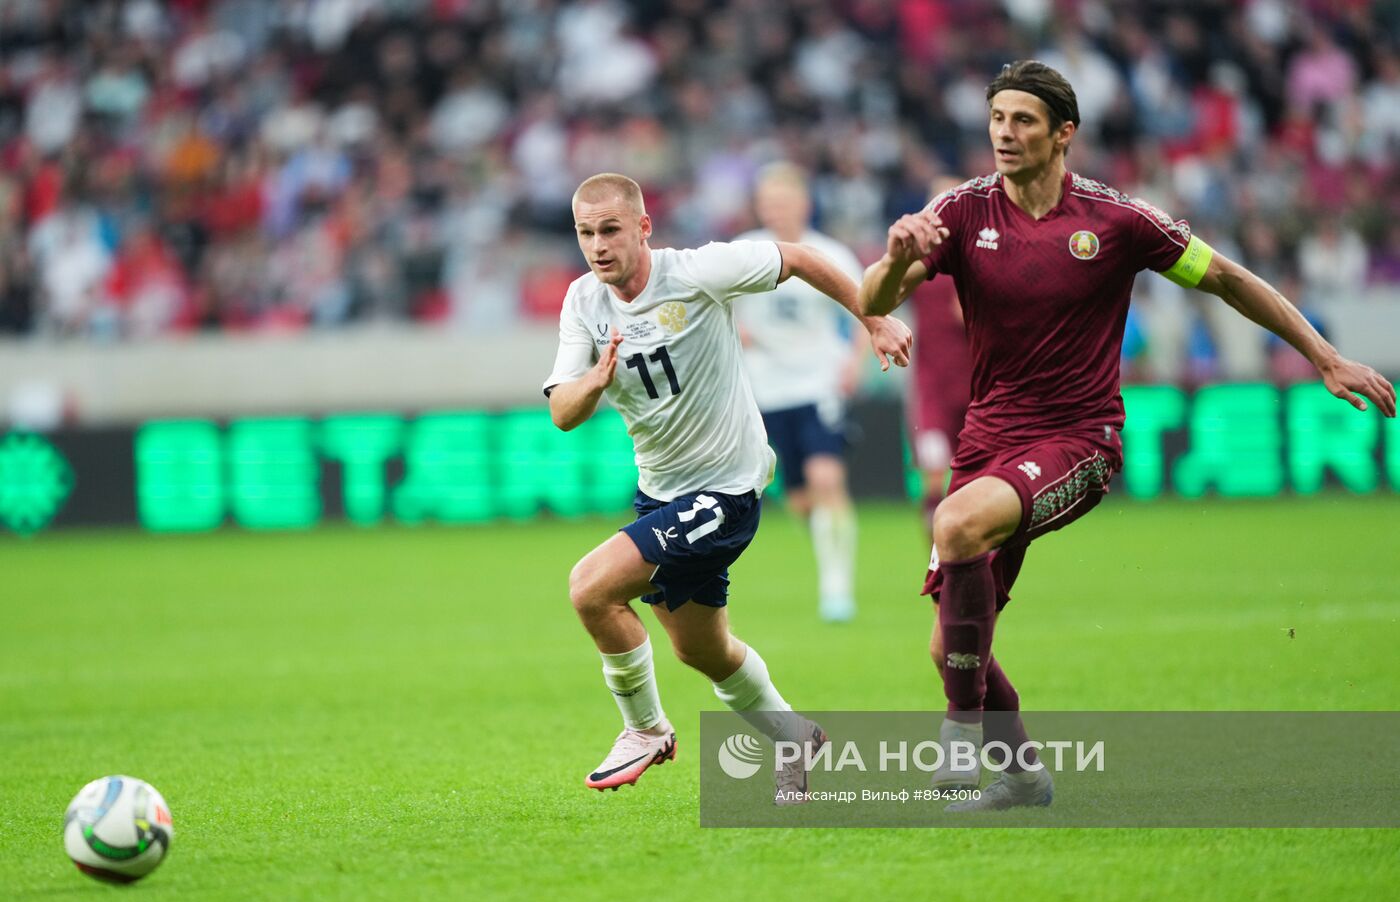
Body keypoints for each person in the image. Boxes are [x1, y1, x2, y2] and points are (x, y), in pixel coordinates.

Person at [859, 61, 1396, 812]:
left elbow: (1230, 280)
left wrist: (1325, 357)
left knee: (955, 529)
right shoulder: (961, 212)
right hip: (988, 439)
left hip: (1081, 437)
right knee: (951, 645)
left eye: (1023, 122)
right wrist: (896, 256)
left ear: (1063, 133)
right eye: (997, 120)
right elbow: (872, 298)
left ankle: (959, 726)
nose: (1005, 135)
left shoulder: (1117, 222)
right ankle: (1021, 776)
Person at [546, 173, 911, 800]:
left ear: (643, 227)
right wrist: (595, 381)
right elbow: (563, 410)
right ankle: (794, 735)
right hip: (662, 494)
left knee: (591, 589)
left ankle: (645, 729)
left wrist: (872, 316)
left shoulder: (697, 272)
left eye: (610, 230)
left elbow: (795, 258)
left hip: (726, 491)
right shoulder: (583, 301)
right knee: (703, 651)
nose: (598, 246)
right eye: (586, 233)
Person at [732, 162, 867, 623]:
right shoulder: (742, 251)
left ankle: (837, 586)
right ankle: (828, 554)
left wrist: (856, 362)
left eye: (784, 202)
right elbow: (712, 306)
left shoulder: (830, 254)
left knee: (826, 479)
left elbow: (866, 307)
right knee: (799, 501)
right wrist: (734, 334)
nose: (776, 211)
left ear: (804, 204)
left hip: (818, 383)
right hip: (765, 389)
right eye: (768, 203)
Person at [906, 174, 973, 539]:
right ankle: (938, 558)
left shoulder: (983, 257)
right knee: (933, 472)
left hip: (980, 390)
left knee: (975, 481)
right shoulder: (918, 262)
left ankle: (972, 555)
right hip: (932, 388)